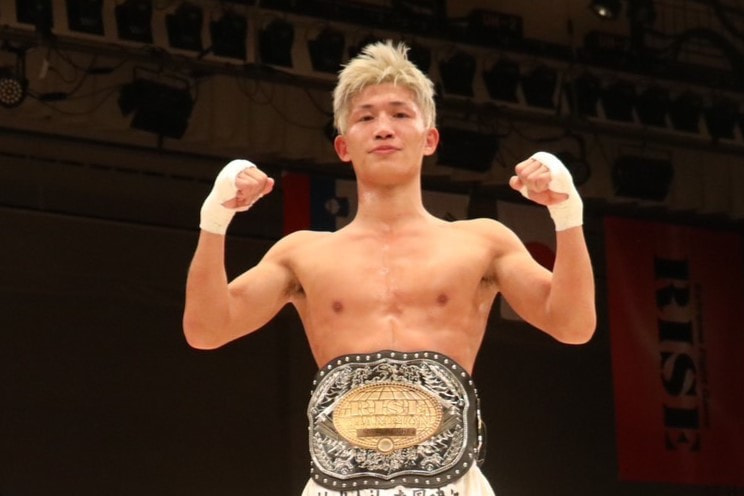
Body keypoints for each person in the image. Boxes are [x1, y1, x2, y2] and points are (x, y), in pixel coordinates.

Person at [183, 40, 596, 496]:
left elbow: (573, 325)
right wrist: (214, 219)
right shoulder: (301, 254)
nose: (383, 129)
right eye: (366, 117)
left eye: (400, 114)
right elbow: (206, 330)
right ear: (343, 146)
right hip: (340, 485)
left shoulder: (483, 242)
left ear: (430, 138)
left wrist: (567, 213)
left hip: (452, 483)